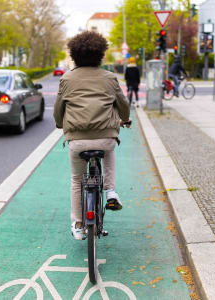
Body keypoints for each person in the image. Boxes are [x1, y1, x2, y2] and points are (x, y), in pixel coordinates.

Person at [53, 31, 131, 240]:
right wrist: (125, 118)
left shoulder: (67, 79)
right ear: (100, 54)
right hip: (105, 137)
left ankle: (78, 224)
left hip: (77, 140)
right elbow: (123, 105)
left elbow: (58, 109)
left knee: (77, 180)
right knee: (108, 151)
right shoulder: (109, 78)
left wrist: (61, 124)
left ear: (74, 55)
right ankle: (111, 191)